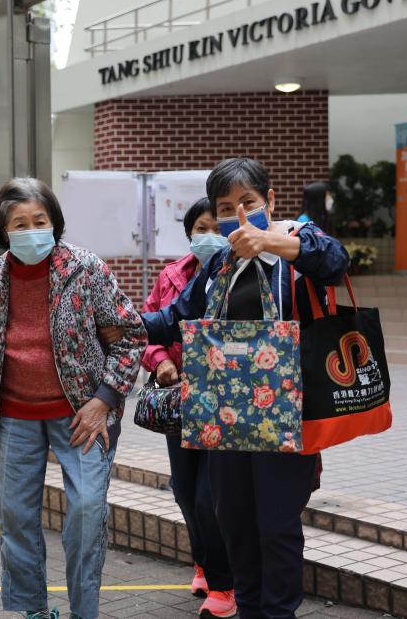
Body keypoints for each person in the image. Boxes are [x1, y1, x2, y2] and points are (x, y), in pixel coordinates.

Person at [143, 158, 349, 619]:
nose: (237, 215)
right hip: (226, 416)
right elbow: (174, 317)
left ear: (270, 200)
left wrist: (270, 241)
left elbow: (336, 262)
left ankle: (278, 614)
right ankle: (250, 610)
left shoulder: (299, 239)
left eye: (247, 202)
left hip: (287, 415)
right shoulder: (221, 262)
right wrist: (123, 323)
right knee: (234, 522)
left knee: (276, 526)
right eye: (225, 208)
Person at [0, 178, 146, 619]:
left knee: (86, 512)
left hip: (83, 413)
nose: (32, 230)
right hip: (16, 414)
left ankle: (83, 611)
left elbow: (131, 336)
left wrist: (105, 398)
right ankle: (32, 609)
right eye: (20, 223)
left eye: (40, 220)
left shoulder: (85, 269)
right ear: (3, 230)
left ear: (54, 222)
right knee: (15, 516)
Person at [141, 197, 236, 618]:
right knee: (183, 489)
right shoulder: (171, 276)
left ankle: (224, 585)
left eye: (217, 227)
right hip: (179, 403)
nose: (210, 236)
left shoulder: (236, 272)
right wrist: (160, 360)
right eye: (202, 228)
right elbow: (154, 324)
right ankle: (204, 564)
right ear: (189, 234)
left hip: (223, 402)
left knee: (207, 497)